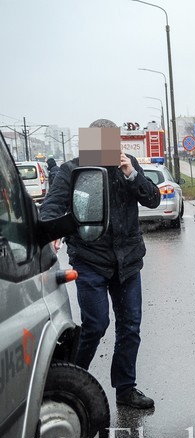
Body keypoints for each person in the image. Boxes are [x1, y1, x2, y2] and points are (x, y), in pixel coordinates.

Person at [39, 118, 161, 410]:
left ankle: (125, 389)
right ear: (90, 143)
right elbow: (51, 209)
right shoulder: (72, 170)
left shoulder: (127, 165)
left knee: (130, 326)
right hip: (90, 260)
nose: (108, 149)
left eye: (113, 142)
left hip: (128, 261)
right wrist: (52, 231)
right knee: (96, 324)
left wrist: (132, 173)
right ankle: (70, 383)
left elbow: (153, 199)